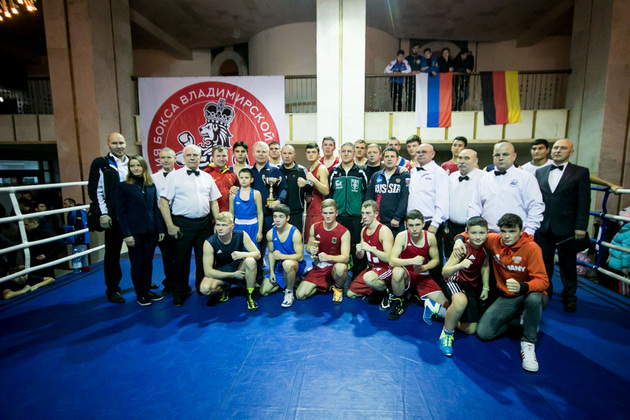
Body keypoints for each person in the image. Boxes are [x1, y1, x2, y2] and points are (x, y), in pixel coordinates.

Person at [455, 214, 549, 373]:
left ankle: (528, 343)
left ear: (521, 231)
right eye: (503, 231)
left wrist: (523, 287)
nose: (506, 236)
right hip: (508, 296)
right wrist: (459, 240)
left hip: (531, 293)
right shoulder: (494, 240)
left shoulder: (532, 248)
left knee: (533, 299)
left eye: (512, 231)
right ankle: (523, 321)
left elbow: (543, 281)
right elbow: (471, 233)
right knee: (484, 333)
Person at [159, 144, 221, 307]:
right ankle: (179, 292)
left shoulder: (207, 177)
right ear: (183, 157)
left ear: (200, 157)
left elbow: (214, 201)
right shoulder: (173, 176)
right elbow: (163, 202)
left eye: (196, 155)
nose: (193, 158)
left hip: (204, 224)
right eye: (189, 155)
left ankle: (202, 288)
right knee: (181, 260)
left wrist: (217, 222)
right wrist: (170, 225)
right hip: (182, 224)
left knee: (204, 259)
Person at [535, 139, 590, 312]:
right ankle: (546, 292)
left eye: (563, 148)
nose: (558, 150)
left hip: (568, 226)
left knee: (568, 264)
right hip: (544, 226)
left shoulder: (580, 172)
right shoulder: (540, 172)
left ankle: (570, 296)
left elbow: (584, 202)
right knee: (544, 263)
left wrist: (581, 226)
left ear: (571, 152)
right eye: (556, 147)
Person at [437, 217, 490, 356]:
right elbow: (444, 272)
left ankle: (440, 310)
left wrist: (486, 287)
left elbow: (485, 265)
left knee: (471, 329)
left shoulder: (485, 248)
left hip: (470, 286)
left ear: (487, 233)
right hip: (454, 282)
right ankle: (447, 334)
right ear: (467, 233)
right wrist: (460, 265)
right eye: (473, 233)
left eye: (481, 233)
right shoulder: (462, 248)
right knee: (461, 301)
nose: (477, 237)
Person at [116, 156, 165, 306]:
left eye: (138, 165)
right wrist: (127, 234)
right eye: (132, 166)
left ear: (143, 167)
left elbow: (155, 208)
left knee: (148, 262)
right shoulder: (123, 186)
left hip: (151, 231)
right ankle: (140, 294)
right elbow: (121, 213)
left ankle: (147, 290)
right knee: (137, 264)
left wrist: (160, 229)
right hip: (134, 232)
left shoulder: (150, 185)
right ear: (129, 169)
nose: (136, 168)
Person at [468, 141, 545, 235]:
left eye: (505, 154)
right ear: (493, 157)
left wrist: (529, 231)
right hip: (488, 235)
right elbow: (474, 206)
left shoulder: (526, 177)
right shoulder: (484, 179)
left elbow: (535, 206)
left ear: (514, 156)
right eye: (497, 155)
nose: (501, 158)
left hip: (517, 235)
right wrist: (472, 229)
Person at [87, 132, 129, 303]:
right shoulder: (101, 163)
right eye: (115, 143)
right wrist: (103, 214)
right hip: (113, 216)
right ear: (108, 144)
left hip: (132, 215)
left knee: (139, 251)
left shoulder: (133, 162)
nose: (119, 146)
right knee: (112, 253)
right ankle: (112, 289)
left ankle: (143, 282)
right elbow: (95, 191)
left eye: (121, 143)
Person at [388, 210, 448, 321]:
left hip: (423, 275)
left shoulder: (430, 237)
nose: (414, 229)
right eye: (411, 225)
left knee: (446, 306)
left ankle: (416, 296)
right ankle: (399, 301)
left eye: (417, 225)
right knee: (397, 272)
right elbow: (392, 261)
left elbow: (436, 260)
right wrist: (412, 261)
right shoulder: (402, 236)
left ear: (423, 224)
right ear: (406, 225)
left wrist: (424, 267)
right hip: (406, 274)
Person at [199, 212, 261, 312]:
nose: (220, 228)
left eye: (224, 225)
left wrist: (242, 254)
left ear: (232, 226)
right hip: (222, 271)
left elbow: (258, 254)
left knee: (250, 260)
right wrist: (233, 275)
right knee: (205, 289)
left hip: (239, 269)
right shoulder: (209, 242)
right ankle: (223, 289)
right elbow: (208, 272)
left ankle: (250, 295)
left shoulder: (241, 235)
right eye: (218, 225)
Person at [407, 143, 449, 279]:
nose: (420, 154)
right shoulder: (413, 171)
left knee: (433, 258)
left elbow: (442, 199)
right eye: (418, 152)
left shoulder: (439, 172)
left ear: (433, 154)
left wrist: (435, 224)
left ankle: (436, 285)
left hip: (430, 222)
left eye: (424, 152)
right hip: (413, 222)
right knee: (414, 256)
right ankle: (415, 285)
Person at [296, 199, 350, 304]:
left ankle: (338, 288)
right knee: (300, 295)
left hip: (335, 267)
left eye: (331, 213)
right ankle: (326, 285)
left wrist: (328, 257)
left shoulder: (344, 232)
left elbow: (345, 258)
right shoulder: (315, 227)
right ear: (321, 213)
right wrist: (310, 249)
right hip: (319, 267)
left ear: (336, 213)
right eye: (325, 213)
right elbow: (308, 247)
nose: (328, 216)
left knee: (341, 268)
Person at [328, 142, 368, 275]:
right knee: (337, 246)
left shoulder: (361, 172)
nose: (346, 154)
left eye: (349, 151)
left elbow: (366, 194)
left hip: (355, 217)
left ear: (354, 153)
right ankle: (337, 274)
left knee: (356, 246)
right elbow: (330, 194)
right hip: (338, 217)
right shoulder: (334, 172)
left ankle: (357, 275)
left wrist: (364, 215)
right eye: (344, 151)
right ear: (340, 153)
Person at [251, 141, 288, 282]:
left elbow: (284, 188)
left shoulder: (275, 171)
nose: (261, 154)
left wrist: (279, 201)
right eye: (258, 151)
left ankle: (279, 274)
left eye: (263, 151)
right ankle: (257, 275)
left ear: (268, 154)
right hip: (253, 216)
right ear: (253, 153)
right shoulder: (249, 172)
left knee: (275, 244)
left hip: (270, 215)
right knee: (256, 245)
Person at [347, 201, 394, 307]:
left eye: (368, 213)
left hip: (386, 268)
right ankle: (376, 290)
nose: (364, 216)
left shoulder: (383, 231)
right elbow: (360, 256)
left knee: (368, 278)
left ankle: (388, 291)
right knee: (351, 294)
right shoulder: (364, 230)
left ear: (376, 214)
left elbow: (389, 258)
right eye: (363, 213)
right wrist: (359, 251)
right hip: (372, 268)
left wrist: (371, 249)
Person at [259, 204, 306, 308]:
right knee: (264, 291)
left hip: (295, 265)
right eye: (275, 216)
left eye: (281, 217)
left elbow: (300, 257)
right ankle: (290, 281)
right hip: (280, 267)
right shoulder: (270, 233)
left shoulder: (295, 233)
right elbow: (271, 253)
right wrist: (272, 272)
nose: (277, 220)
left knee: (287, 264)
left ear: (287, 218)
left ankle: (289, 292)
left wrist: (282, 256)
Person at [445, 149, 484, 258]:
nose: (462, 161)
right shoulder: (451, 177)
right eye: (460, 158)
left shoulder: (484, 177)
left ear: (475, 161)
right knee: (451, 259)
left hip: (473, 228)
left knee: (471, 260)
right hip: (452, 228)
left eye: (466, 158)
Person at [365, 147, 410, 236]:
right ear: (383, 158)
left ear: (397, 159)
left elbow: (405, 198)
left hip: (396, 223)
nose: (389, 159)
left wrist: (397, 217)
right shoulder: (376, 176)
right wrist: (369, 216)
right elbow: (369, 198)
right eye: (387, 156)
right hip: (377, 221)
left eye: (392, 156)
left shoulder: (403, 175)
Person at [151, 147, 178, 295]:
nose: (166, 160)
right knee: (166, 254)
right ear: (159, 159)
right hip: (161, 218)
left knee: (180, 252)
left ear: (175, 159)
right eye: (163, 157)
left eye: (169, 157)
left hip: (179, 217)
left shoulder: (181, 175)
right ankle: (169, 282)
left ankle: (180, 282)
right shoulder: (153, 178)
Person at [303, 142, 330, 244]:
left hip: (319, 212)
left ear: (319, 154)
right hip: (311, 210)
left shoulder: (321, 168)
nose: (311, 154)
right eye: (308, 152)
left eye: (313, 152)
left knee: (319, 243)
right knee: (310, 245)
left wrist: (314, 179)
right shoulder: (309, 169)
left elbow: (326, 191)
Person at [229, 168, 264, 247]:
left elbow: (260, 213)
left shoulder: (256, 194)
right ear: (238, 179)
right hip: (237, 226)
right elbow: (231, 213)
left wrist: (259, 232)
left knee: (253, 249)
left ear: (251, 180)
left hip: (253, 226)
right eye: (241, 177)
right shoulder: (233, 195)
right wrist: (230, 229)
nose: (244, 180)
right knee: (238, 249)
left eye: (246, 177)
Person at [280, 145, 308, 233]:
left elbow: (311, 186)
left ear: (294, 155)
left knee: (296, 239)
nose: (287, 156)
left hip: (296, 213)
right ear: (281, 154)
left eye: (290, 153)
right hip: (279, 213)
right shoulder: (277, 170)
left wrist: (306, 184)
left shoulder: (302, 170)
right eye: (284, 153)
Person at [203, 145, 239, 214]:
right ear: (212, 158)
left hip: (229, 215)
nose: (221, 159)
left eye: (224, 156)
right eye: (218, 156)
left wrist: (237, 189)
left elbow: (239, 193)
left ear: (228, 157)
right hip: (210, 216)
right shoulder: (205, 174)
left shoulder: (232, 175)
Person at [63, 198, 90, 272]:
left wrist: (66, 227)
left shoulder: (76, 212)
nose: (64, 206)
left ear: (72, 204)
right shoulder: (78, 211)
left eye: (65, 203)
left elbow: (78, 226)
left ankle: (77, 272)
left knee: (77, 257)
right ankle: (84, 270)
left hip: (79, 237)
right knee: (82, 257)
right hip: (80, 237)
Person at [405, 43, 422, 110]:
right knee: (409, 95)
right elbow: (404, 69)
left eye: (417, 48)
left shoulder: (421, 58)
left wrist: (419, 71)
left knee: (417, 95)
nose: (415, 50)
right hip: (409, 79)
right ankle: (409, 110)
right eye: (414, 48)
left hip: (419, 80)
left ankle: (417, 110)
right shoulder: (407, 58)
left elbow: (423, 68)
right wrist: (411, 72)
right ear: (412, 49)